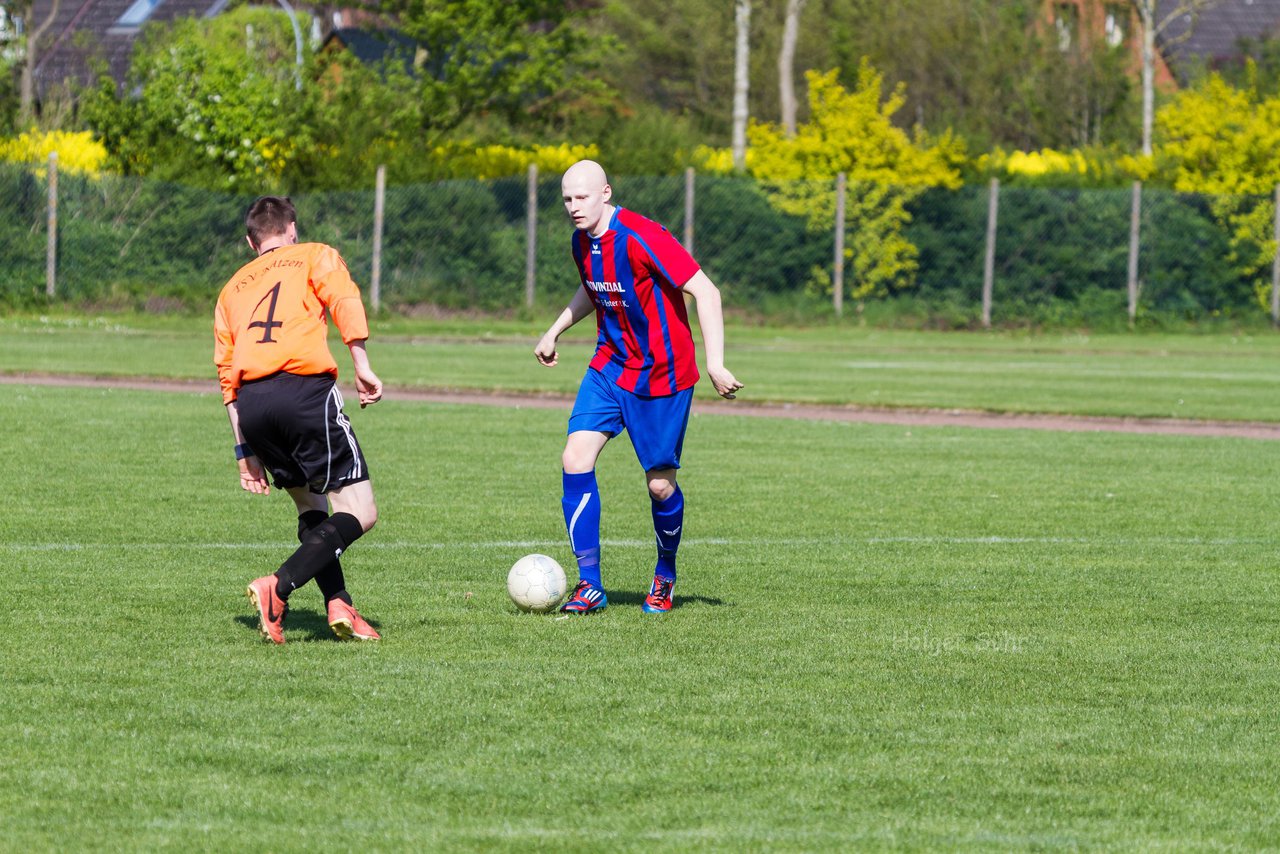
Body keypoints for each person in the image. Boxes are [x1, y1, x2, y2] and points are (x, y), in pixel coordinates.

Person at [534, 160, 743, 615]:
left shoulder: (643, 235)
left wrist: (716, 362)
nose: (573, 207)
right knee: (575, 456)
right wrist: (555, 330)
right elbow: (593, 290)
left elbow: (706, 292)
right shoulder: (581, 241)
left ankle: (665, 575)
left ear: (605, 192)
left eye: (582, 197)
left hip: (663, 375)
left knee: (660, 487)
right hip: (610, 366)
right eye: (567, 199)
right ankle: (589, 584)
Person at [214, 195, 384, 644]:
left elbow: (226, 372)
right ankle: (279, 586)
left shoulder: (232, 287)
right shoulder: (313, 254)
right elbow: (344, 298)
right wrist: (361, 362)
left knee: (313, 507)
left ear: (252, 242)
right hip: (303, 394)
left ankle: (339, 604)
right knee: (361, 511)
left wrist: (243, 450)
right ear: (292, 229)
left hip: (253, 406)